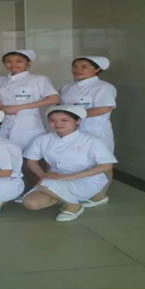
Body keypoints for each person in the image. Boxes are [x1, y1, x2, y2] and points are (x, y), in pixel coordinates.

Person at [21, 105, 117, 221]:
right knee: (31, 203)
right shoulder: (43, 139)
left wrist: (70, 176)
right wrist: (43, 174)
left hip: (84, 179)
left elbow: (107, 165)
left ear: (77, 121)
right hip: (54, 178)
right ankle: (66, 197)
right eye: (53, 120)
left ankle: (73, 206)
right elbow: (31, 160)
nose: (58, 124)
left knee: (44, 184)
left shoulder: (91, 141)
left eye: (64, 120)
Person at [59, 56, 117, 205]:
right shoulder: (67, 87)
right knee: (78, 162)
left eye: (84, 67)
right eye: (75, 66)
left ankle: (100, 196)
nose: (77, 70)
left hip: (95, 131)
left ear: (97, 69)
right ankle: (81, 192)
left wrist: (73, 116)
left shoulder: (104, 87)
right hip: (72, 132)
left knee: (101, 162)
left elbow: (104, 108)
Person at [0, 49, 59, 150]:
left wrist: (18, 108)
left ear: (29, 62)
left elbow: (53, 99)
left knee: (31, 153)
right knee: (4, 152)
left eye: (19, 61)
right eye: (8, 61)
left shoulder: (39, 79)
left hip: (28, 123)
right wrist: (3, 107)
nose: (13, 64)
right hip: (2, 122)